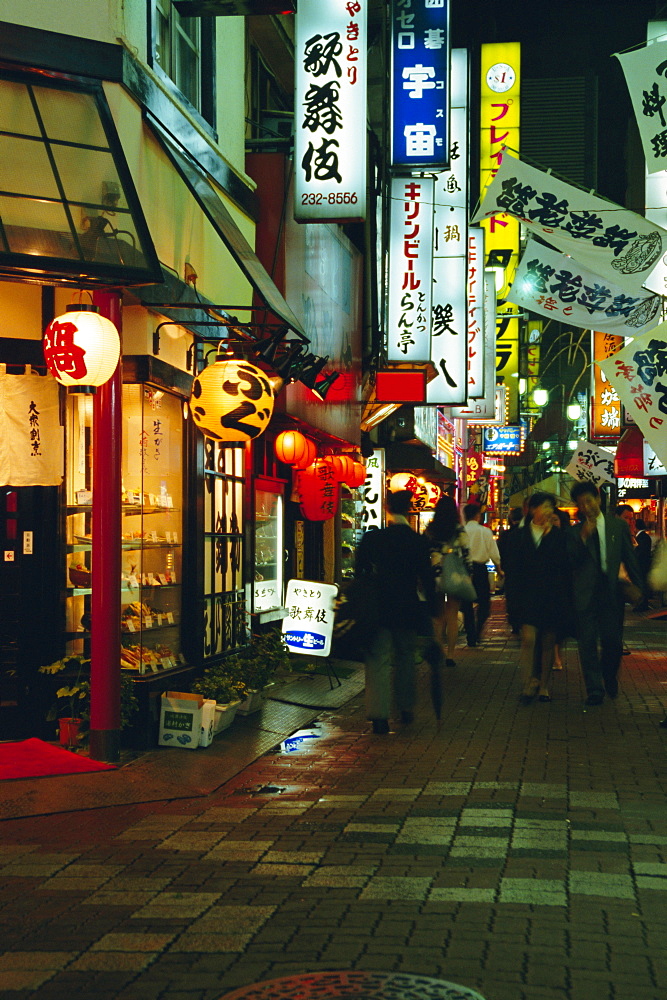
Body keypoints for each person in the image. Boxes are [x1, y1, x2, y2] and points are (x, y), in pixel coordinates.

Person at [354, 489, 438, 734]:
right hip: (407, 607)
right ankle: (405, 707)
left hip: (377, 607)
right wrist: (432, 608)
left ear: (387, 508)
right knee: (405, 658)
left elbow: (359, 572)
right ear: (409, 509)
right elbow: (427, 578)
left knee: (377, 659)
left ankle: (379, 716)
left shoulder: (373, 539)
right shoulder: (417, 541)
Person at [566, 482, 642, 705]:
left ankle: (609, 675)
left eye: (589, 501)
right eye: (581, 504)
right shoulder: (573, 532)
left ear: (598, 499)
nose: (586, 507)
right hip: (585, 594)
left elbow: (629, 557)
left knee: (613, 642)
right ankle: (594, 688)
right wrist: (583, 536)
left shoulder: (617, 526)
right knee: (587, 642)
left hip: (611, 593)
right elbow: (571, 562)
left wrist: (639, 588)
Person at [513, 492, 570, 703]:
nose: (547, 511)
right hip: (527, 597)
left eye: (550, 507)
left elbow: (563, 567)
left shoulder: (558, 536)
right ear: (532, 509)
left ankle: (544, 685)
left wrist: (548, 538)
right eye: (543, 506)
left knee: (547, 641)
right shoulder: (519, 536)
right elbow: (515, 569)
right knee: (528, 639)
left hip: (552, 597)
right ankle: (529, 682)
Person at [424, 494, 470, 668]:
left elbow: (424, 552)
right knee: (452, 616)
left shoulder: (431, 530)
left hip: (435, 575)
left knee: (438, 617)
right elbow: (466, 553)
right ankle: (450, 654)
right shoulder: (459, 529)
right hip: (455, 575)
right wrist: (469, 573)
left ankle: (439, 652)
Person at [460, 503, 502, 647]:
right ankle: (477, 632)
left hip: (464, 570)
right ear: (478, 516)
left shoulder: (461, 531)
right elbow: (494, 553)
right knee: (484, 603)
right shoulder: (485, 532)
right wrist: (499, 569)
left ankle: (471, 636)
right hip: (480, 569)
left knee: (466, 605)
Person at [497, 506, 523, 634]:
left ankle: (514, 622)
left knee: (512, 596)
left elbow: (500, 552)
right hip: (523, 571)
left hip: (510, 571)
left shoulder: (506, 535)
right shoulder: (526, 533)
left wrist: (501, 568)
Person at [633, 518, 652, 611]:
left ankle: (642, 604)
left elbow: (641, 552)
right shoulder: (642, 536)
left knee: (642, 585)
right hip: (642, 565)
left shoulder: (643, 537)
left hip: (642, 565)